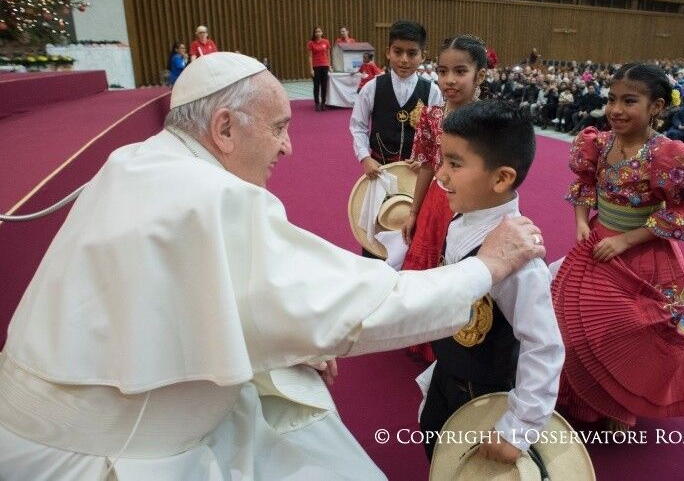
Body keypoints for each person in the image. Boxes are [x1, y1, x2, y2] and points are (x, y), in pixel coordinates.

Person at [0, 53, 547, 480]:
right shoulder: (214, 198)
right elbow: (367, 306)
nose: (289, 146)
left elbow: (171, 309)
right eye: (279, 126)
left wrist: (288, 346)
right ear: (224, 128)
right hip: (121, 452)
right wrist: (488, 265)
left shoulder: (135, 162)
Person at [551, 63, 684, 433]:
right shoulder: (598, 143)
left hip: (644, 254)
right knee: (575, 324)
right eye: (612, 100)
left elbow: (677, 212)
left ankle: (621, 406)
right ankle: (584, 398)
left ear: (656, 106)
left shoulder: (669, 155)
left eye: (629, 101)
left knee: (635, 334)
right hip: (597, 246)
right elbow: (585, 187)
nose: (616, 110)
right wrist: (580, 222)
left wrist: (625, 240)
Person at [418, 100, 564, 464]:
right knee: (436, 447)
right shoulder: (461, 220)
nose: (441, 175)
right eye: (442, 160)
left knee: (469, 465)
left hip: (481, 390)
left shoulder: (521, 261)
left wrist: (518, 426)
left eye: (455, 163)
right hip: (448, 370)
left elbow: (543, 345)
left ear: (500, 178)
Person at [400, 35, 488, 362]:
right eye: (443, 71)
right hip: (435, 203)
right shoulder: (432, 116)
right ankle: (423, 336)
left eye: (460, 71)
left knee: (459, 268)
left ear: (479, 75)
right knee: (428, 267)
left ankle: (457, 336)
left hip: (472, 205)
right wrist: (413, 210)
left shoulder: (488, 120)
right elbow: (425, 165)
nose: (449, 80)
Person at [349, 20, 443, 178]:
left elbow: (437, 133)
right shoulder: (371, 88)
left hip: (416, 173)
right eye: (398, 52)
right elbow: (358, 126)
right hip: (379, 169)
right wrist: (365, 158)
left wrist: (427, 158)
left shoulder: (432, 91)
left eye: (412, 53)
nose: (404, 59)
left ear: (423, 56)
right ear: (388, 52)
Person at [307, 26, 331, 111]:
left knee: (324, 85)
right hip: (316, 66)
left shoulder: (326, 42)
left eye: (319, 31)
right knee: (316, 86)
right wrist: (311, 69)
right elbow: (310, 57)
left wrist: (329, 66)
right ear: (314, 33)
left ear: (322, 33)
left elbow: (328, 55)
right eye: (316, 32)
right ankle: (317, 103)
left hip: (325, 66)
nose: (318, 33)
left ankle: (323, 103)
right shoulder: (311, 43)